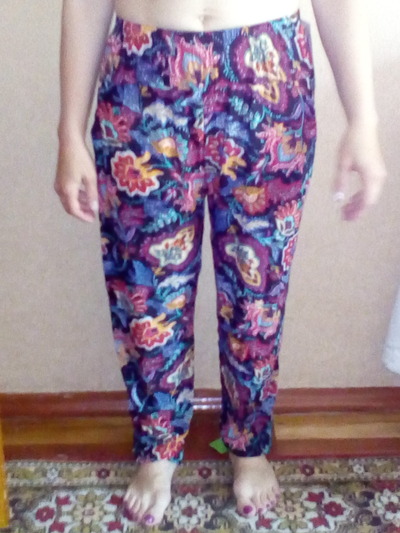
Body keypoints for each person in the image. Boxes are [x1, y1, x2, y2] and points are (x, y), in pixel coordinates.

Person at [55, 0, 387, 528]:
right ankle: (158, 447)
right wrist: (68, 131)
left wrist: (364, 120)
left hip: (266, 75)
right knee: (147, 292)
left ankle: (248, 443)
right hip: (142, 74)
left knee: (257, 291)